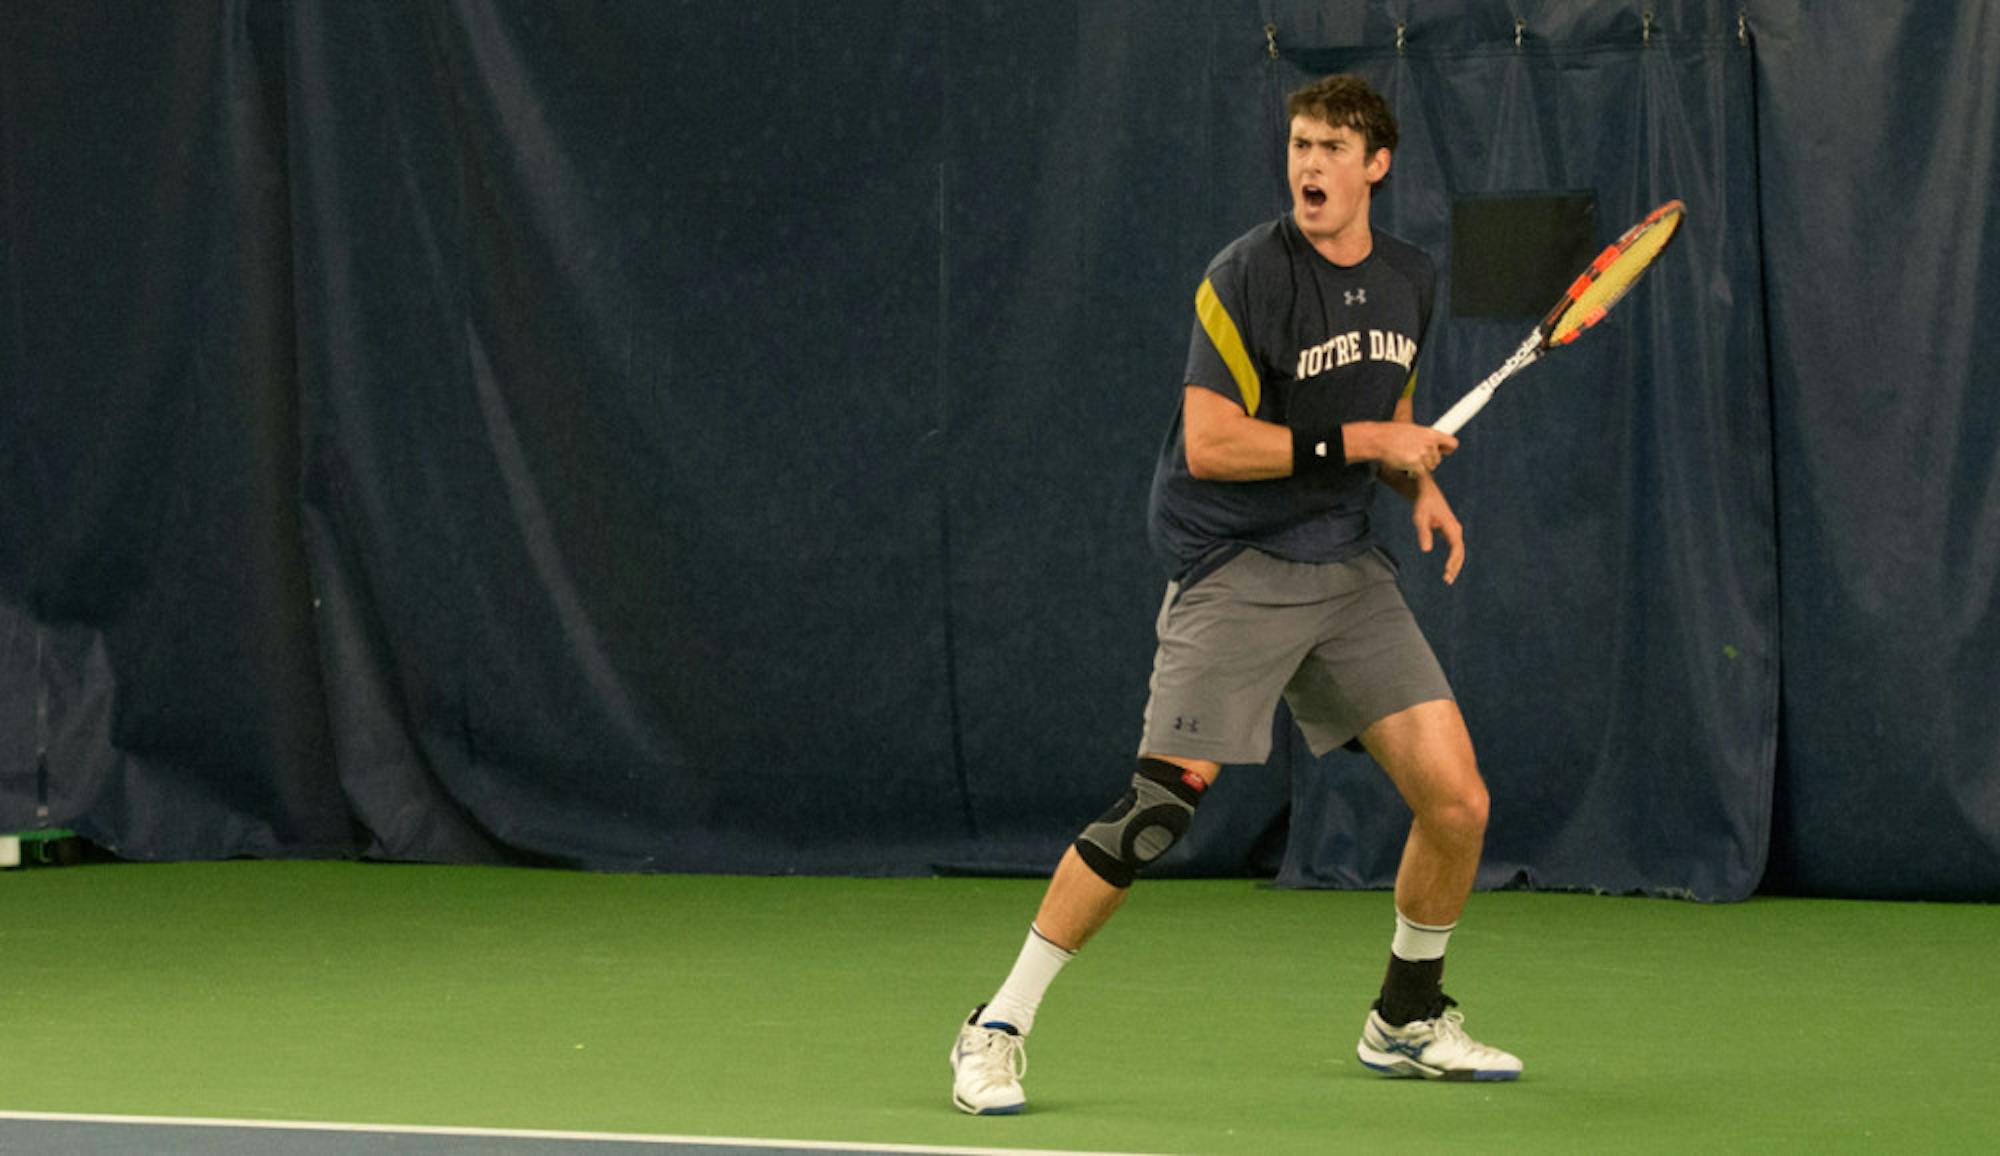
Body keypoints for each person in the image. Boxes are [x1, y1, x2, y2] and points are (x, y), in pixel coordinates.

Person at [948, 73, 1522, 1116]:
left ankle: (1403, 1016)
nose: (1307, 164)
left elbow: (1379, 400)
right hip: (1235, 565)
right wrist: (1369, 442)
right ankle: (994, 1026)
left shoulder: (1408, 277)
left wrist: (1417, 479)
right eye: (1299, 144)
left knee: (1456, 799)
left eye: (1331, 149)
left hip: (1345, 569)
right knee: (1159, 806)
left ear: (1374, 166)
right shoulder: (1245, 274)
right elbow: (1212, 446)